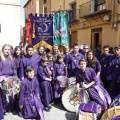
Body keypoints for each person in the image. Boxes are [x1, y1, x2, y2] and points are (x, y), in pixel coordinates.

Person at [0, 44, 17, 112]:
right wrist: (3, 77)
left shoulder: (11, 58)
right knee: (4, 95)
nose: (7, 51)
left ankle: (9, 108)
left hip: (11, 78)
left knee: (11, 94)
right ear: (3, 50)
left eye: (8, 49)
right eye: (5, 49)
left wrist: (15, 76)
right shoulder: (1, 59)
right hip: (3, 79)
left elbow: (14, 68)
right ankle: (4, 109)